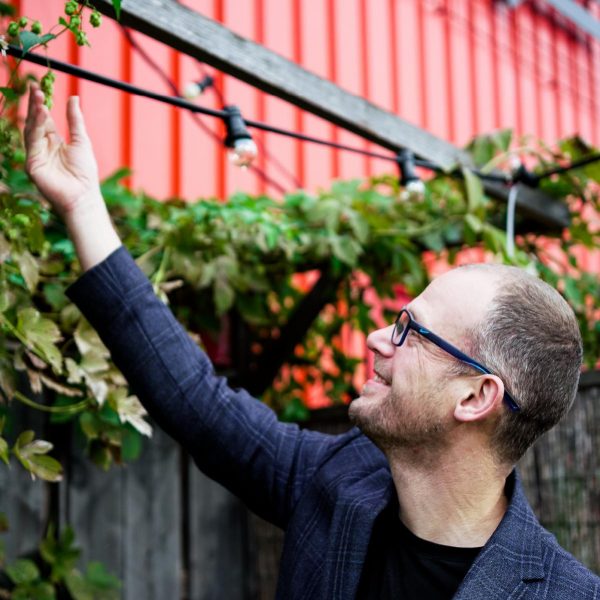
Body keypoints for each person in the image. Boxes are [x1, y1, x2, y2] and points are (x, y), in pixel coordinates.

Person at [24, 84, 600, 599]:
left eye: (411, 331)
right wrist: (82, 206)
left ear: (476, 397)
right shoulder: (339, 482)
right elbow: (198, 403)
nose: (376, 339)